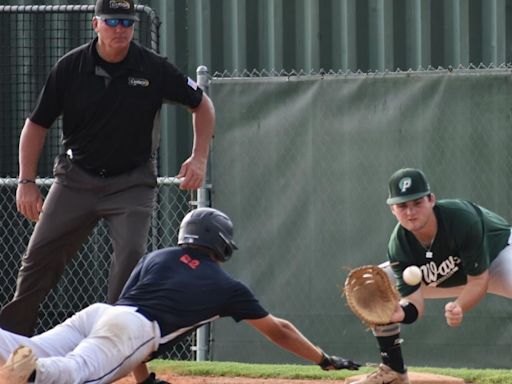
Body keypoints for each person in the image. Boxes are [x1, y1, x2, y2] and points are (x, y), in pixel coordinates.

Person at [1, 0, 214, 339]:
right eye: (112, 21)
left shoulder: (152, 67)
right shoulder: (70, 67)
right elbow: (36, 125)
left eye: (127, 23)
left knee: (131, 255)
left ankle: (112, 343)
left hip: (131, 182)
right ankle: (9, 343)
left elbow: (202, 105)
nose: (120, 29)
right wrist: (26, 181)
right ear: (95, 24)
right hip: (76, 178)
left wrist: (199, 156)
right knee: (37, 258)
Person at [0, 207, 360, 384]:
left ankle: (17, 354)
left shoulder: (157, 256)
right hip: (133, 328)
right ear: (220, 243)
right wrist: (322, 359)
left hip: (100, 314)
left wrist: (145, 382)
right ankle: (33, 373)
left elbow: (122, 319)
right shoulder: (227, 287)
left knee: (31, 343)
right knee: (80, 374)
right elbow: (279, 330)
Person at [351, 168, 512, 384]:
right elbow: (415, 301)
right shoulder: (399, 245)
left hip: (496, 258)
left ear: (431, 200)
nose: (410, 212)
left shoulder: (461, 218)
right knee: (373, 284)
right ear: (392, 210)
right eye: (402, 206)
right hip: (444, 275)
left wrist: (460, 306)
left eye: (417, 203)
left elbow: (479, 280)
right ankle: (393, 371)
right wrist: (402, 313)